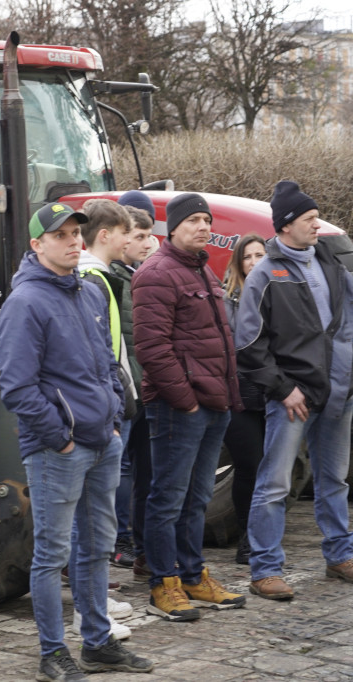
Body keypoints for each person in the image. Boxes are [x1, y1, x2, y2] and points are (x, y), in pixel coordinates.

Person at [0, 202, 154, 681]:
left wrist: (109, 417)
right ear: (37, 244)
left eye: (76, 232)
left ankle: (98, 642)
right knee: (52, 555)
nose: (73, 241)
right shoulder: (25, 302)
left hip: (102, 441)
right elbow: (17, 387)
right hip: (57, 450)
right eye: (60, 234)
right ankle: (53, 653)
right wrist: (61, 438)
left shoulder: (87, 292)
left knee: (97, 546)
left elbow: (107, 360)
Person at [235, 181, 353, 599]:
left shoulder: (333, 266)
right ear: (286, 226)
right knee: (274, 484)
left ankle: (340, 556)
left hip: (339, 395)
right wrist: (284, 389)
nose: (316, 223)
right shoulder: (265, 274)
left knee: (335, 480)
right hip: (293, 401)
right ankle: (265, 568)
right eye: (308, 218)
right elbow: (249, 345)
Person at [132, 193, 246, 622]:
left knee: (197, 498)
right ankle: (164, 583)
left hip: (214, 404)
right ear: (173, 227)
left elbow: (220, 344)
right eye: (193, 220)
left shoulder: (205, 273)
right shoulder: (157, 273)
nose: (202, 226)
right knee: (168, 498)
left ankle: (193, 575)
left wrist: (224, 400)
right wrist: (187, 402)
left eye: (206, 219)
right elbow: (152, 348)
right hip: (180, 408)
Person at [73, 198, 137, 640]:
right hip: (102, 409)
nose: (132, 239)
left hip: (111, 402)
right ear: (106, 234)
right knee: (91, 523)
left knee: (100, 522)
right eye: (126, 232)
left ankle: (94, 600)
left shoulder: (103, 277)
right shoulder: (93, 278)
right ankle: (87, 609)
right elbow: (104, 350)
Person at [113, 193, 156, 582]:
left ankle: (143, 548)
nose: (145, 244)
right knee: (120, 467)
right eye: (139, 236)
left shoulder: (139, 275)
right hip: (127, 390)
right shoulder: (114, 279)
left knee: (147, 471)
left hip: (146, 388)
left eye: (148, 236)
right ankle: (121, 540)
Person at [221, 233, 267, 565]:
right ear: (238, 263)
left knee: (271, 469)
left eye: (259, 255)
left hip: (273, 394)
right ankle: (247, 540)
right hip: (240, 396)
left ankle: (266, 538)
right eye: (248, 257)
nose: (254, 262)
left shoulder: (278, 296)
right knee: (249, 467)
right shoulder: (228, 301)